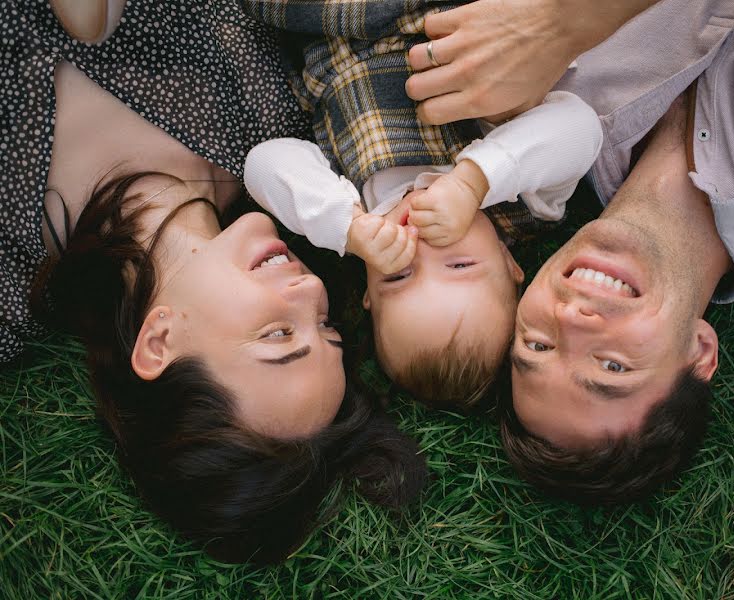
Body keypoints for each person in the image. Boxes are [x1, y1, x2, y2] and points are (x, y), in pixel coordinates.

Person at [406, 0, 734, 502]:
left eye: (537, 346)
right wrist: (562, 23)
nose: (572, 319)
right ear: (699, 352)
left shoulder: (525, 112)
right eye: (613, 367)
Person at [3, 0, 426, 564]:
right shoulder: (269, 127)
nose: (311, 294)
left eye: (277, 336)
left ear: (159, 342)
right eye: (324, 325)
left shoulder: (11, 278)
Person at [240, 0, 601, 411]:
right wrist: (474, 182)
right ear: (509, 263)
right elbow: (580, 126)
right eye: (459, 265)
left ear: (369, 296)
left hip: (331, 21)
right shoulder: (525, 205)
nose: (420, 244)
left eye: (397, 276)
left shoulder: (354, 211)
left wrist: (346, 227)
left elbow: (264, 162)